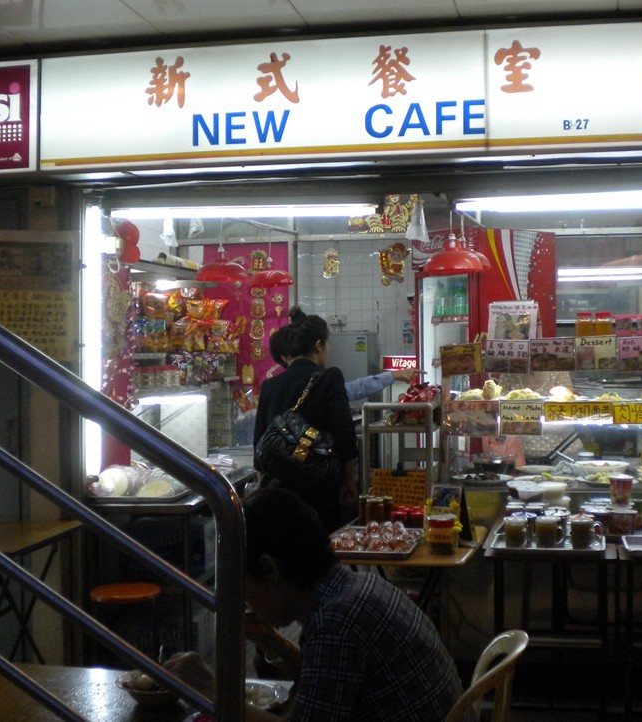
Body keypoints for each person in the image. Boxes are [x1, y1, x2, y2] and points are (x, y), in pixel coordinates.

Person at [167, 487, 464, 722]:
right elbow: (329, 685)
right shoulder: (354, 589)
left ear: (269, 570)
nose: (245, 602)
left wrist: (210, 690)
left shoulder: (337, 621)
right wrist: (272, 642)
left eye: (244, 588)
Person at [253, 308, 359, 532]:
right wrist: (349, 478)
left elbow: (259, 442)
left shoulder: (270, 386)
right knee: (320, 547)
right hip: (321, 485)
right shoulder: (330, 377)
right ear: (319, 345)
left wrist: (264, 486)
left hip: (280, 488)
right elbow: (344, 433)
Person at [268, 324, 420, 401]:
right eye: (326, 343)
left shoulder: (271, 387)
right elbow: (354, 390)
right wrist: (392, 376)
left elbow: (260, 438)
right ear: (318, 346)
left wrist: (392, 375)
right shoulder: (326, 380)